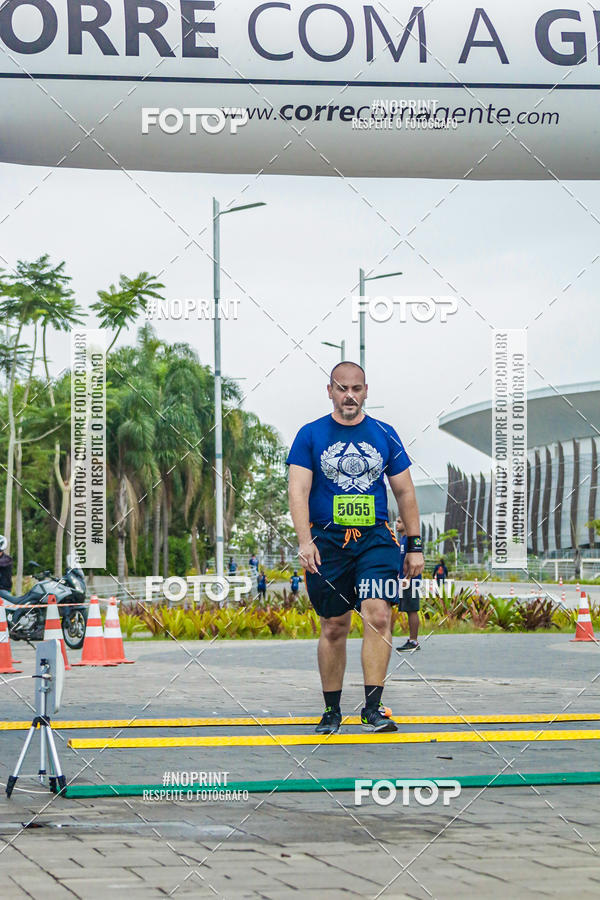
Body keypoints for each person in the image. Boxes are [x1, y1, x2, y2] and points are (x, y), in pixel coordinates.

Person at [287, 361, 424, 735]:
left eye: (356, 388)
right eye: (342, 388)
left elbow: (404, 491)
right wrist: (304, 541)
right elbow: (298, 490)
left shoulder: (384, 433)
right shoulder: (310, 435)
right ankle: (331, 710)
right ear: (329, 391)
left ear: (366, 391)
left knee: (378, 614)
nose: (349, 395)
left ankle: (373, 708)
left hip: (375, 541)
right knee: (334, 625)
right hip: (327, 543)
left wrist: (414, 545)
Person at [395, 516, 421, 652]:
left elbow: (413, 561)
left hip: (411, 581)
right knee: (408, 609)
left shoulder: (412, 539)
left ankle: (413, 641)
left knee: (412, 610)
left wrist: (408, 578)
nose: (396, 524)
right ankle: (412, 640)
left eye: (399, 522)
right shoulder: (403, 540)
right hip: (404, 580)